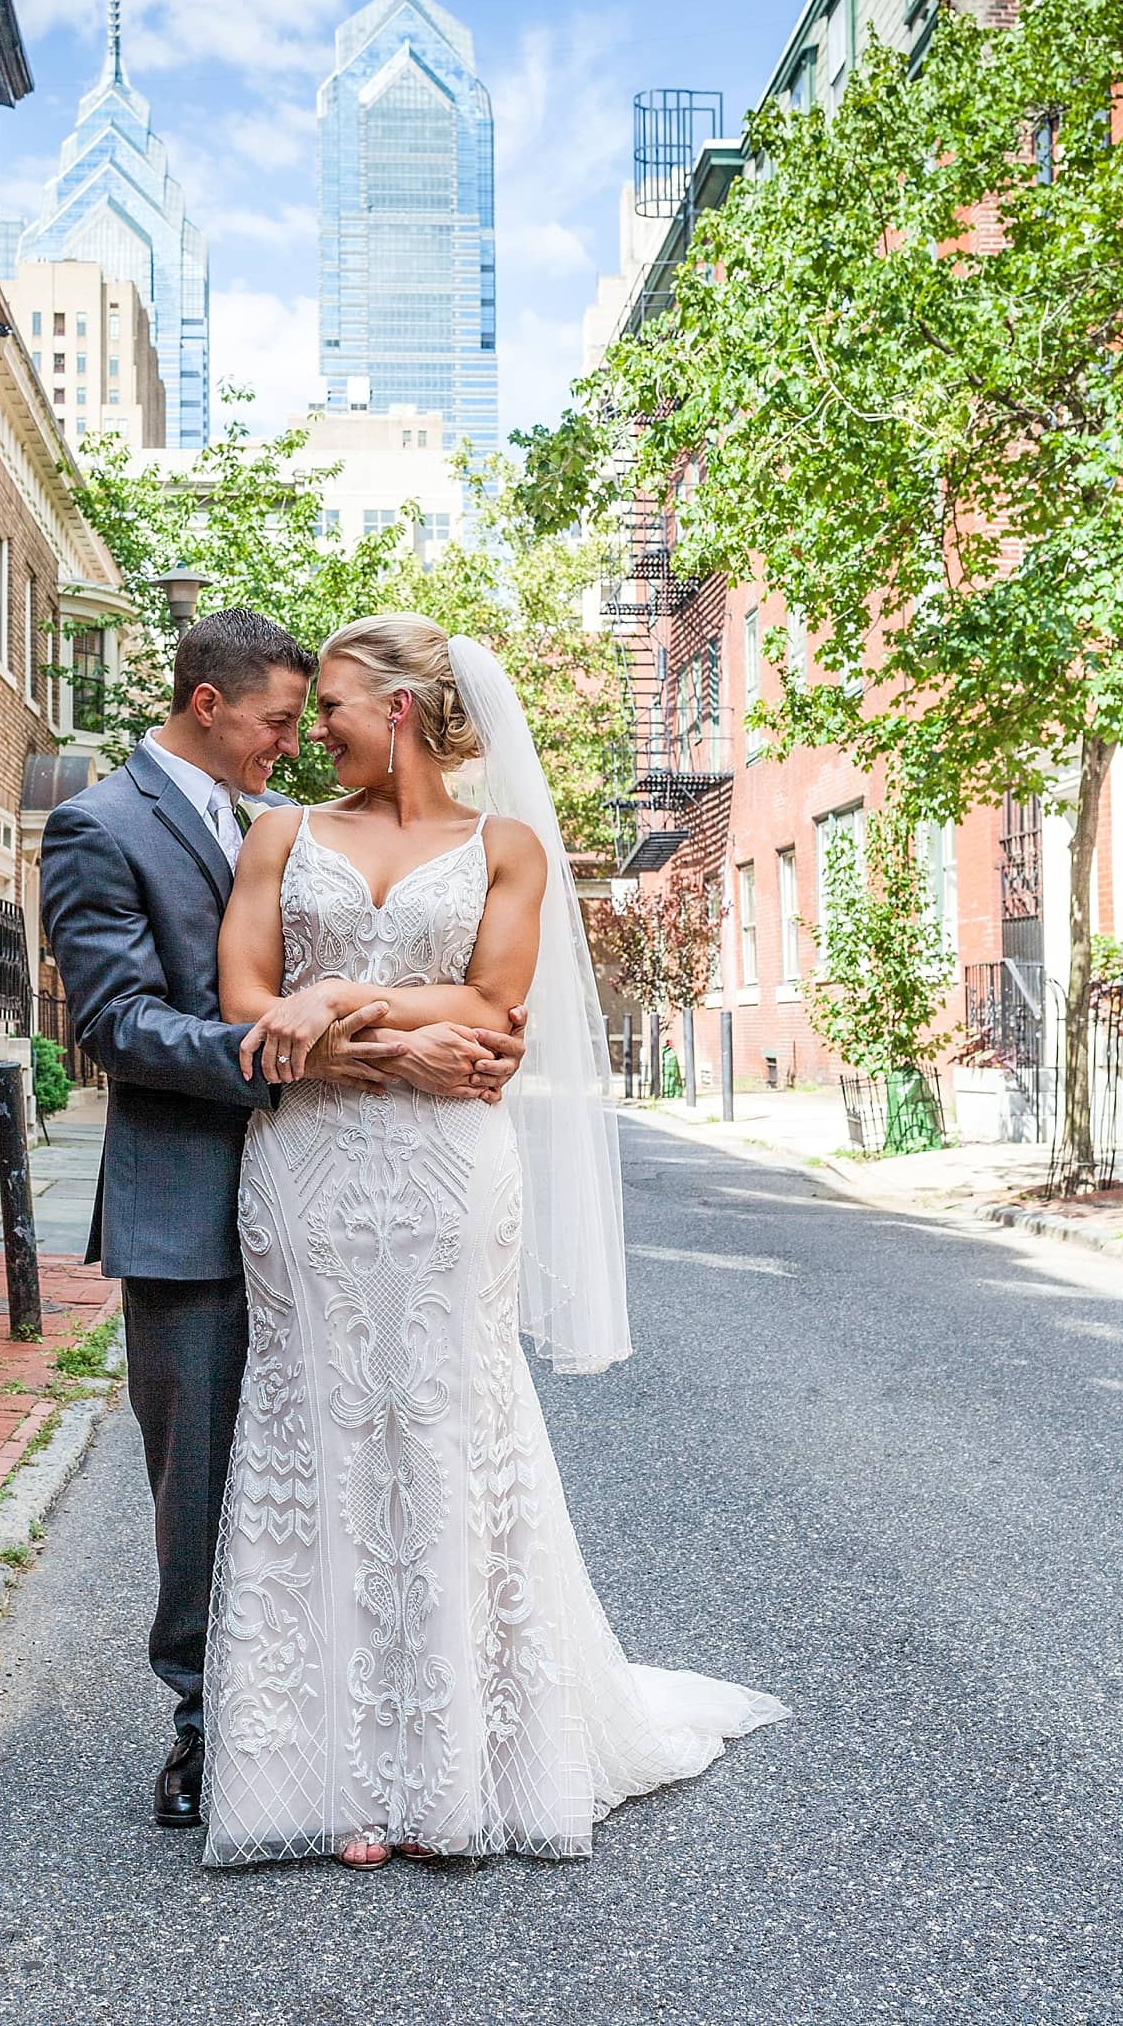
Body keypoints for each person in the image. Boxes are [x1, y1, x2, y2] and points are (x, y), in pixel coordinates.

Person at [203, 613, 786, 1868]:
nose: (316, 731)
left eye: (339, 706)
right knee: (319, 1423)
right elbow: (247, 1005)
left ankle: (458, 1762)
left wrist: (338, 1002)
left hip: (447, 1173)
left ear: (401, 708)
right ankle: (333, 1770)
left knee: (445, 1416)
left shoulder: (507, 847)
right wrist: (380, 1038)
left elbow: (491, 1003)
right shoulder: (280, 834)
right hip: (307, 1167)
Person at [40, 609, 528, 1833]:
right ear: (209, 706)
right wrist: (307, 1059)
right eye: (274, 721)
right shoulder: (98, 826)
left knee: (367, 1456)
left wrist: (378, 1030)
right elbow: (116, 1026)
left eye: (312, 716)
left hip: (357, 1184)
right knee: (209, 1483)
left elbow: (486, 996)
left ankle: (377, 1718)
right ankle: (214, 1734)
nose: (292, 743)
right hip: (203, 1195)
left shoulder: (294, 823)